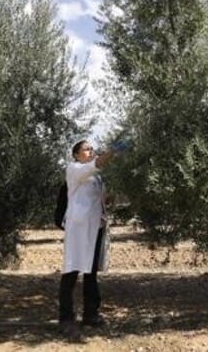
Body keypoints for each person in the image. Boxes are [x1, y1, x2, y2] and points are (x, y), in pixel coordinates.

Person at [58, 139, 126, 341]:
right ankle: (66, 319)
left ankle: (90, 314)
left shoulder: (96, 178)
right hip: (78, 228)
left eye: (92, 149)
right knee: (71, 271)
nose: (90, 151)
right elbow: (97, 164)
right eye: (86, 149)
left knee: (91, 272)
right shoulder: (74, 169)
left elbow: (101, 198)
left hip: (94, 228)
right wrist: (112, 152)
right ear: (77, 155)